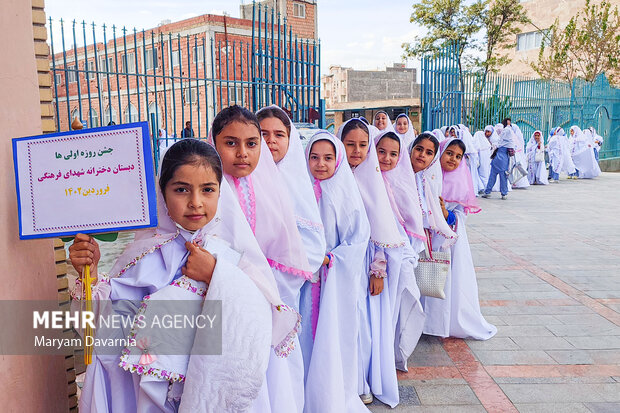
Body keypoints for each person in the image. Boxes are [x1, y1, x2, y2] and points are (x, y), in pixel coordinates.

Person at [69, 139, 297, 412]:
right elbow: (104, 328)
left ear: (220, 193)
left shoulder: (234, 256)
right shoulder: (142, 257)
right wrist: (90, 276)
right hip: (153, 397)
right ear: (162, 193)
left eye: (208, 189)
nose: (195, 203)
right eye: (181, 190)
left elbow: (260, 320)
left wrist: (217, 275)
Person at [209, 105, 311, 413]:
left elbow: (285, 251)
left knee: (271, 383)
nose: (242, 153)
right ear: (213, 143)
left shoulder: (269, 187)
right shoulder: (208, 190)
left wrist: (265, 286)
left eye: (252, 144)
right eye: (230, 143)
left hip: (266, 301)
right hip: (220, 302)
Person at [338, 119, 413, 407]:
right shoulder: (333, 174)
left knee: (362, 324)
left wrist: (377, 269)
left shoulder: (372, 179)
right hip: (336, 263)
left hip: (366, 264)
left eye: (362, 145)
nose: (356, 151)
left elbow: (380, 226)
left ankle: (361, 381)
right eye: (349, 144)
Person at [256, 105, 327, 377]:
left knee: (280, 362)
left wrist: (274, 267)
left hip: (282, 285)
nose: (270, 141)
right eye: (262, 134)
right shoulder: (241, 179)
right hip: (244, 283)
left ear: (290, 139)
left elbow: (312, 246)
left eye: (278, 134)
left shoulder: (296, 182)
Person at [304, 131, 371, 413]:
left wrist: (332, 259)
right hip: (307, 280)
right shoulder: (300, 190)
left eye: (328, 158)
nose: (321, 164)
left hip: (334, 277)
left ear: (338, 160)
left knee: (335, 332)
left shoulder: (345, 193)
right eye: (314, 157)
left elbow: (358, 238)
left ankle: (333, 389)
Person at [423, 137, 497, 339]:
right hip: (427, 237)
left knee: (445, 281)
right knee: (424, 277)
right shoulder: (427, 175)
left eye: (458, 156)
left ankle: (440, 323)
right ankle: (422, 322)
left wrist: (447, 215)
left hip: (450, 240)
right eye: (449, 153)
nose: (453, 159)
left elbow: (462, 215)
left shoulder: (461, 182)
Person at [374, 130, 427, 373]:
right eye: (381, 151)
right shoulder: (365, 179)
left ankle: (394, 353)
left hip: (399, 254)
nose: (386, 158)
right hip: (375, 260)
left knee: (400, 305)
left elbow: (408, 222)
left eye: (393, 154)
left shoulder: (401, 181)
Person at [481, 127, 515, 199]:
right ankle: (504, 193)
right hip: (504, 162)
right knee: (503, 178)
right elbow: (512, 154)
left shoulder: (500, 140)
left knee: (492, 177)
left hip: (496, 160)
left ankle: (487, 192)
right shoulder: (510, 143)